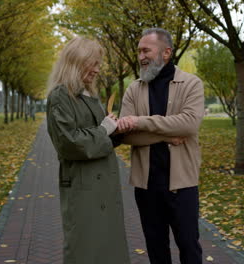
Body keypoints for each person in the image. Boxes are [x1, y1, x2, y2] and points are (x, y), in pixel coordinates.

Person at [118, 28, 205, 264]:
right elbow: (124, 135)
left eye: (146, 50)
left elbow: (188, 125)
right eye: (138, 51)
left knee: (189, 247)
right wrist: (165, 135)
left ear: (166, 52)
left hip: (182, 184)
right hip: (146, 186)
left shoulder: (191, 84)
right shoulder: (134, 89)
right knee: (156, 250)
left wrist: (141, 122)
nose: (140, 56)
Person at [46, 36, 129, 264]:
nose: (97, 70)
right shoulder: (60, 96)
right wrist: (104, 130)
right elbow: (69, 143)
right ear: (76, 62)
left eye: (98, 64)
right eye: (92, 63)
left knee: (108, 248)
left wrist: (117, 130)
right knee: (85, 249)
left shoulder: (90, 96)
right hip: (83, 187)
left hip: (103, 186)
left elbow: (100, 135)